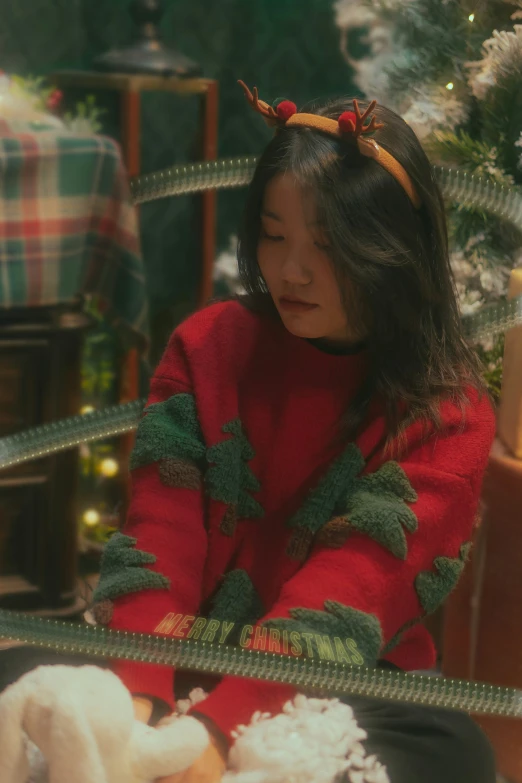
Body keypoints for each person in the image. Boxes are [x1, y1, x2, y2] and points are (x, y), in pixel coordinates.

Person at [0, 83, 498, 783]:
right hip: (181, 647)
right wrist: (137, 704)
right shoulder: (208, 345)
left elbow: (349, 597)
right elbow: (157, 536)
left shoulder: (448, 408)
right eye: (273, 233)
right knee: (20, 674)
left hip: (343, 677)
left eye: (326, 244)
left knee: (456, 752)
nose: (289, 270)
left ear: (391, 249)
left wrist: (210, 732)